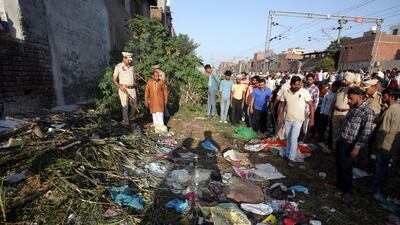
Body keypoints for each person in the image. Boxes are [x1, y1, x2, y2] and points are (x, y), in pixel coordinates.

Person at [335, 87, 374, 202]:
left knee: (347, 167)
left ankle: (348, 191)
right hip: (342, 140)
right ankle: (339, 183)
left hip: (351, 144)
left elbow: (365, 133)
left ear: (359, 97)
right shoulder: (353, 108)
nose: (349, 100)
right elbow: (346, 124)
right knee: (339, 163)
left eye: (351, 98)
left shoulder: (368, 112)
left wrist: (357, 148)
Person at [371, 88, 400, 202]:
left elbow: (384, 130)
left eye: (384, 96)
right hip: (393, 145)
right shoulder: (397, 108)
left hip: (385, 144)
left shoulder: (390, 111)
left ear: (391, 97)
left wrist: (378, 144)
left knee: (380, 167)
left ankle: (376, 189)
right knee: (385, 167)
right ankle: (382, 185)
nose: (382, 98)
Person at [278, 76, 314, 162]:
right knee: (288, 137)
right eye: (295, 85)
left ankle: (291, 158)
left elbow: (311, 105)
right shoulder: (286, 92)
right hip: (288, 118)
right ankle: (287, 153)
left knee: (294, 138)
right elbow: (282, 105)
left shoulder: (305, 92)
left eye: (299, 84)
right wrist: (279, 117)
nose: (297, 86)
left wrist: (312, 119)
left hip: (299, 119)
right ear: (291, 84)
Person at [331, 72, 356, 150]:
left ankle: (340, 150)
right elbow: (334, 101)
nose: (343, 81)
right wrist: (331, 113)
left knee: (344, 133)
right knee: (334, 132)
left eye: (345, 80)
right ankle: (334, 148)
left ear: (350, 80)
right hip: (336, 112)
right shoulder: (340, 89)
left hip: (346, 113)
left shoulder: (354, 90)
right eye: (344, 79)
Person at [112, 52, 137, 126]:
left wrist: (136, 79)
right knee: (125, 106)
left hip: (132, 89)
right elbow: (114, 80)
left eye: (130, 60)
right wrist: (120, 87)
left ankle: (130, 119)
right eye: (128, 60)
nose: (130, 61)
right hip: (123, 88)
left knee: (134, 105)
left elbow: (133, 79)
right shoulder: (118, 67)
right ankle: (125, 121)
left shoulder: (132, 67)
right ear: (124, 58)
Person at [303, 73, 319, 139]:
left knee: (306, 127)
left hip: (309, 110)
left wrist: (312, 112)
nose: (309, 81)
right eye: (308, 79)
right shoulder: (304, 87)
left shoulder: (316, 89)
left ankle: (303, 140)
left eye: (310, 80)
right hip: (302, 109)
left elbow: (316, 101)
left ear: (313, 80)